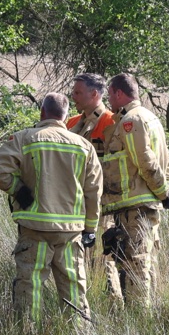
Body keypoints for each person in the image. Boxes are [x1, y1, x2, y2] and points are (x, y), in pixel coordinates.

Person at [0, 92, 102, 322]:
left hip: (34, 228)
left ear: (42, 112)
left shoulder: (24, 138)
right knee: (74, 289)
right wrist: (90, 229)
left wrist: (18, 190)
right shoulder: (84, 146)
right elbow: (94, 191)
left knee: (30, 287)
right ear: (66, 116)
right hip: (70, 232)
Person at [100, 72, 169, 309]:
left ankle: (140, 321)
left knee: (136, 264)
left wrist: (164, 192)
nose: (109, 101)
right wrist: (168, 190)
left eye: (110, 95)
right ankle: (149, 316)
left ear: (119, 93)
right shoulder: (150, 117)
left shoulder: (130, 121)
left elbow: (146, 160)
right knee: (146, 263)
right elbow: (168, 159)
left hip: (137, 207)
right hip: (146, 204)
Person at [65, 72, 120, 289]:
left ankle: (112, 305)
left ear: (94, 94)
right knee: (79, 260)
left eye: (78, 92)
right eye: (73, 92)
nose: (73, 96)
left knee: (103, 258)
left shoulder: (110, 122)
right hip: (74, 204)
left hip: (102, 205)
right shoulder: (71, 123)